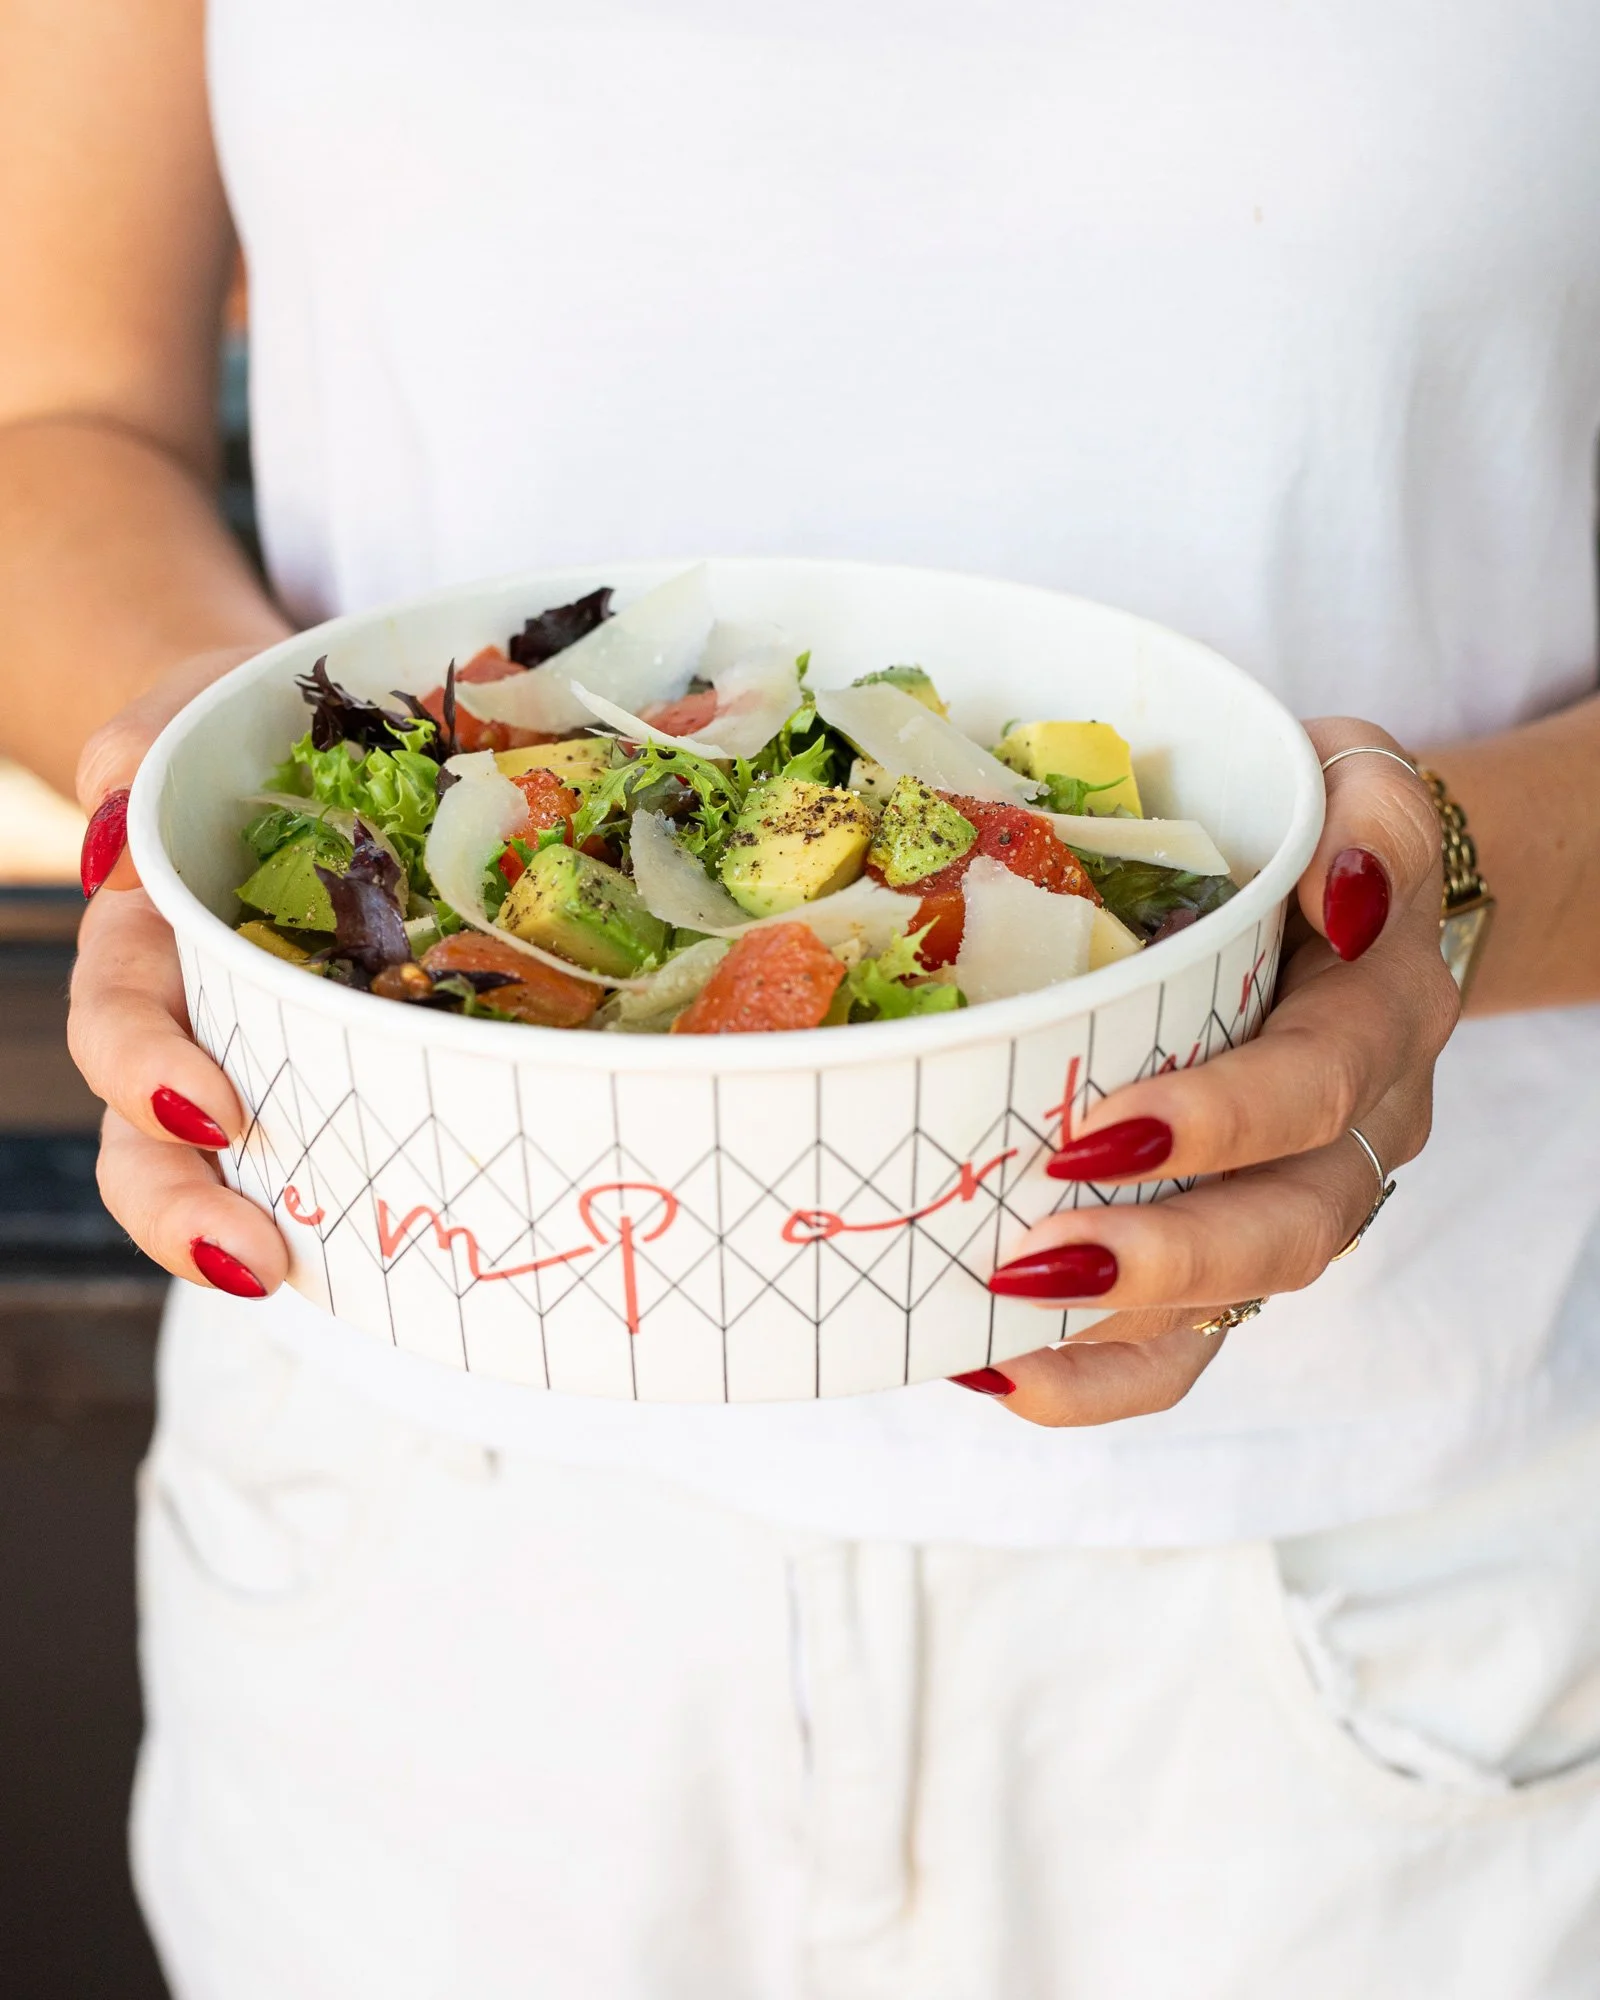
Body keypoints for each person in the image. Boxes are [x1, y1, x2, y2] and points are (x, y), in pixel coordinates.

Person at [4, 0, 1600, 1992]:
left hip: (1385, 1597)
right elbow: (51, 414)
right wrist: (194, 770)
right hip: (419, 1561)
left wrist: (1444, 889)